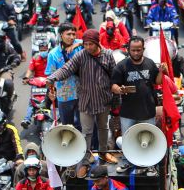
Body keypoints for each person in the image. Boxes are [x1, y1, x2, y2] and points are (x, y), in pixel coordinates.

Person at [48, 29, 117, 161]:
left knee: (103, 128)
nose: (87, 47)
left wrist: (116, 94)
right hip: (86, 101)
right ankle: (85, 158)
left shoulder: (108, 55)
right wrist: (52, 78)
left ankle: (103, 152)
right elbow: (66, 69)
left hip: (103, 100)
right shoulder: (81, 55)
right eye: (85, 44)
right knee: (87, 131)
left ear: (97, 43)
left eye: (91, 44)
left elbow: (114, 75)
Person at [112, 36, 162, 133]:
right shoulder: (121, 66)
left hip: (148, 112)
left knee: (148, 140)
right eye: (133, 50)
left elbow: (157, 81)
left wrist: (161, 72)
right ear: (128, 50)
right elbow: (113, 85)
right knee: (128, 141)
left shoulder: (150, 63)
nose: (136, 53)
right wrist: (119, 89)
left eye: (138, 50)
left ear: (143, 49)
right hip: (128, 114)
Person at [45, 24, 82, 129]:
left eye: (74, 34)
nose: (72, 37)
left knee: (82, 125)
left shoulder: (80, 46)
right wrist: (51, 91)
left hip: (82, 93)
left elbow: (94, 43)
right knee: (67, 127)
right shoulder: (53, 54)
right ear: (61, 35)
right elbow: (50, 76)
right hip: (64, 95)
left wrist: (76, 45)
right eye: (68, 34)